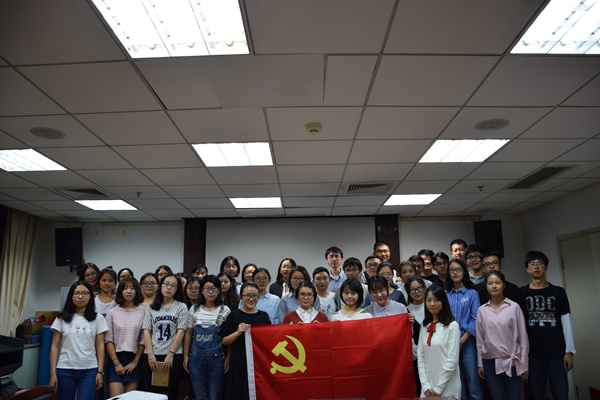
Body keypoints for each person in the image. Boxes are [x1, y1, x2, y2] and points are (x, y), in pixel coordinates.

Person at [519, 251, 575, 400]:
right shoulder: (521, 293)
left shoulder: (558, 292)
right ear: (527, 269)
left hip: (556, 353)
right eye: (532, 264)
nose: (536, 267)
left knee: (561, 394)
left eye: (540, 263)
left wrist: (569, 351)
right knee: (537, 395)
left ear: (546, 267)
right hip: (532, 354)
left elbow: (566, 321)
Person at [49, 281, 108, 400]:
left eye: (84, 293)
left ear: (90, 296)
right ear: (71, 296)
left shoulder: (98, 318)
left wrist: (100, 372)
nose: (80, 297)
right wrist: (53, 373)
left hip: (89, 370)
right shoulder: (61, 318)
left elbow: (100, 346)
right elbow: (55, 346)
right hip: (65, 369)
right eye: (76, 293)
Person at [476, 271, 529, 400]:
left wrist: (524, 364)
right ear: (486, 286)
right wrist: (480, 363)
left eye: (497, 283)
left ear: (504, 285)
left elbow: (523, 337)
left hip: (512, 361)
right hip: (490, 362)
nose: (494, 286)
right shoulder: (482, 310)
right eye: (490, 283)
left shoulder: (514, 307)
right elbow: (480, 340)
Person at [220, 282, 271, 400]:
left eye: (254, 296)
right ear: (241, 296)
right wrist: (237, 333)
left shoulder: (263, 316)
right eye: (247, 295)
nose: (251, 299)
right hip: (239, 358)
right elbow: (225, 341)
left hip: (258, 359)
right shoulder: (234, 315)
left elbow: (270, 338)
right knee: (238, 391)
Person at [184, 275, 231, 400]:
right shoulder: (194, 309)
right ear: (202, 290)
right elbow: (188, 333)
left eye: (214, 289)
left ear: (219, 290)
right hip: (196, 358)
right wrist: (186, 356)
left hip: (217, 359)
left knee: (215, 395)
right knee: (199, 396)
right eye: (207, 288)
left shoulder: (225, 310)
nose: (210, 292)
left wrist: (228, 357)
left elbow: (227, 337)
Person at [142, 273, 187, 400]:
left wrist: (171, 354)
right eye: (166, 284)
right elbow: (146, 331)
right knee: (151, 394)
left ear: (177, 289)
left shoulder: (181, 307)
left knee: (170, 393)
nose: (169, 287)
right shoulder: (151, 307)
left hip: (173, 356)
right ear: (160, 285)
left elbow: (181, 331)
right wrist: (150, 355)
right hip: (152, 356)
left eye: (173, 285)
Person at [445, 258, 482, 400]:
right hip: (449, 342)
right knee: (457, 382)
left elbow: (475, 319)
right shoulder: (445, 294)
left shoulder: (472, 293)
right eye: (452, 270)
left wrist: (461, 341)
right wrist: (454, 342)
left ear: (464, 272)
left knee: (472, 380)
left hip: (468, 341)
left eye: (458, 270)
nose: (455, 273)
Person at [105, 276, 145, 397]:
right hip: (115, 358)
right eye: (125, 288)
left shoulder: (144, 311)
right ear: (120, 291)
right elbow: (108, 339)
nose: (129, 291)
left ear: (137, 291)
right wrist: (116, 363)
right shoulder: (112, 312)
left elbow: (143, 340)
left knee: (130, 398)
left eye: (132, 288)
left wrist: (135, 362)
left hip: (135, 358)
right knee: (115, 398)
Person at [417, 286, 460, 398]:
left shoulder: (452, 326)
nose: (432, 304)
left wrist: (438, 388)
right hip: (427, 389)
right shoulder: (424, 326)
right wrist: (426, 386)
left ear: (443, 301)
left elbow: (453, 360)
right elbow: (421, 357)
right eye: (429, 300)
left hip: (448, 385)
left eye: (436, 300)